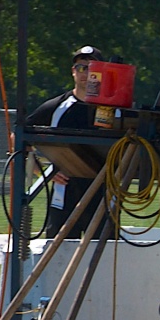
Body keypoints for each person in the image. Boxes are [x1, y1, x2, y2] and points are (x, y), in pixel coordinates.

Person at [28, 46, 112, 238]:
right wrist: (41, 172)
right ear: (73, 71)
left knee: (104, 263)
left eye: (92, 67)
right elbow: (19, 138)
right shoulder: (57, 107)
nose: (86, 73)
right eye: (81, 67)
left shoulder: (112, 110)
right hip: (64, 200)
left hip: (103, 201)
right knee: (58, 261)